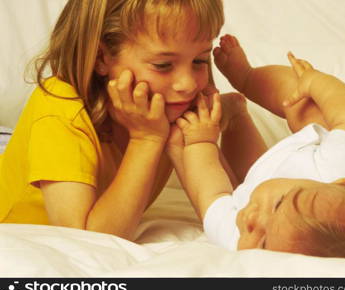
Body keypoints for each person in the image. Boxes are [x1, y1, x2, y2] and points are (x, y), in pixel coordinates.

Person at [0, 0, 257, 241]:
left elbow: (229, 213)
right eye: (163, 65)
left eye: (200, 60)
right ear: (102, 58)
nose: (188, 84)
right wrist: (146, 139)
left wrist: (235, 119)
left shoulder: (170, 105)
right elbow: (88, 239)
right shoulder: (60, 108)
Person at [169, 34, 345, 261]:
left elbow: (210, 194)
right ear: (340, 184)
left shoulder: (241, 242)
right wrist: (317, 82)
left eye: (263, 243)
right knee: (307, 107)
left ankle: (236, 117)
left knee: (243, 188)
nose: (252, 218)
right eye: (278, 205)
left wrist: (200, 141)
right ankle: (248, 77)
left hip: (271, 174)